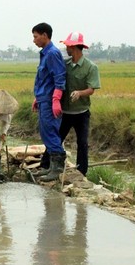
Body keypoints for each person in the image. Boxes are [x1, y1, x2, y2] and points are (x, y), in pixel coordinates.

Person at [40, 32, 101, 177]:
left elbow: (91, 89)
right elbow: (56, 81)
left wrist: (80, 93)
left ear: (74, 47)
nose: (66, 47)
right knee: (56, 138)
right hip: (64, 112)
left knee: (82, 143)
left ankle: (81, 172)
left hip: (81, 112)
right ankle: (45, 164)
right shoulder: (64, 64)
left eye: (67, 45)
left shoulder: (91, 67)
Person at [31, 22, 67, 182]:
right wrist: (37, 98)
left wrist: (56, 99)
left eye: (36, 36)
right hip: (43, 98)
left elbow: (59, 77)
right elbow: (44, 79)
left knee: (51, 132)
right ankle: (51, 168)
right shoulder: (45, 53)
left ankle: (57, 169)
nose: (34, 40)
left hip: (50, 100)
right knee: (45, 133)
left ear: (45, 35)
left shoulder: (52, 53)